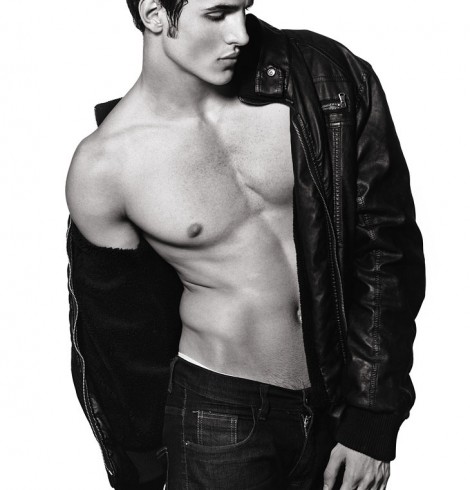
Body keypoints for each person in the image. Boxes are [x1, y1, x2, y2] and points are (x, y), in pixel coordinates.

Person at [64, 1, 426, 489]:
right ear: (154, 14)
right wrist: (143, 469)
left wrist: (373, 418)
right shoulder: (104, 168)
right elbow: (119, 338)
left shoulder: (323, 80)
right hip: (217, 416)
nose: (240, 32)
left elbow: (387, 247)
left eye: (243, 7)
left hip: (336, 402)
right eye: (217, 14)